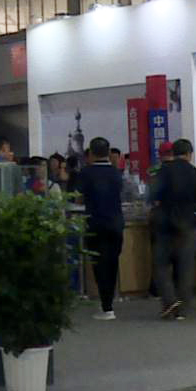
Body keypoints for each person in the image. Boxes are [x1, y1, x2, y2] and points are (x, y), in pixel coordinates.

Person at [151, 138, 196, 320]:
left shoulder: (163, 172)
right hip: (189, 225)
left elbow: (155, 199)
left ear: (173, 153)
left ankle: (169, 301)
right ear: (190, 154)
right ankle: (182, 309)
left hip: (165, 226)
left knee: (161, 266)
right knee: (186, 268)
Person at [77, 137, 125, 320]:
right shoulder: (116, 173)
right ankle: (109, 303)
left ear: (91, 153)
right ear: (108, 152)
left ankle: (106, 306)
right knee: (112, 263)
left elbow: (78, 198)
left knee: (99, 265)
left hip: (95, 224)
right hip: (116, 224)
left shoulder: (86, 173)